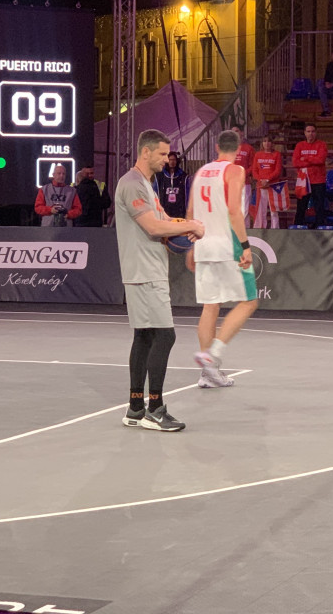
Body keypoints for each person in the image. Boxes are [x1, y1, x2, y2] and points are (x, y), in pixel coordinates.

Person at [116, 129, 205, 432]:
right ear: (146, 152)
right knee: (165, 336)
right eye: (163, 154)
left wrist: (186, 226)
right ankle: (155, 409)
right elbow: (154, 228)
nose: (167, 159)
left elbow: (164, 219)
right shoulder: (132, 184)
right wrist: (191, 226)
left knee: (144, 336)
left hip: (147, 270)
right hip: (145, 272)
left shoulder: (146, 184)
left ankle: (135, 408)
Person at [186, 130, 259, 390]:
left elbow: (191, 212)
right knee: (249, 301)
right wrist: (245, 246)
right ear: (239, 149)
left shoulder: (201, 172)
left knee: (210, 306)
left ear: (216, 147)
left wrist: (193, 247)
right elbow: (234, 211)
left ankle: (208, 374)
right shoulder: (235, 170)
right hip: (227, 245)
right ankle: (213, 355)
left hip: (204, 244)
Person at [292, 124, 328, 228]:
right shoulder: (299, 145)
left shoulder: (322, 145)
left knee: (319, 207)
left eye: (313, 131)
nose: (310, 134)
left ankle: (319, 227)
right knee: (301, 207)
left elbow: (321, 160)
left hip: (318, 180)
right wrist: (313, 159)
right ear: (304, 133)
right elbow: (295, 162)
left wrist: (306, 158)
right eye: (308, 131)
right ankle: (298, 227)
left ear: (316, 133)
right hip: (304, 181)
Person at [251, 135, 285, 229]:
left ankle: (275, 229)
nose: (267, 143)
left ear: (272, 143)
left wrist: (267, 180)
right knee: (261, 210)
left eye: (269, 141)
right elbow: (254, 170)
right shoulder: (258, 155)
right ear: (262, 143)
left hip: (273, 186)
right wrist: (260, 180)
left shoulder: (277, 154)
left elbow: (278, 170)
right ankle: (261, 229)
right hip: (261, 186)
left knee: (274, 210)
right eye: (265, 141)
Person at [153, 151, 189, 219]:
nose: (172, 162)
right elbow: (155, 193)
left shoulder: (183, 176)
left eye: (174, 160)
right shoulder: (159, 176)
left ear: (177, 161)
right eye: (170, 160)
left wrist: (187, 210)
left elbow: (187, 195)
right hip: (164, 211)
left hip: (179, 212)